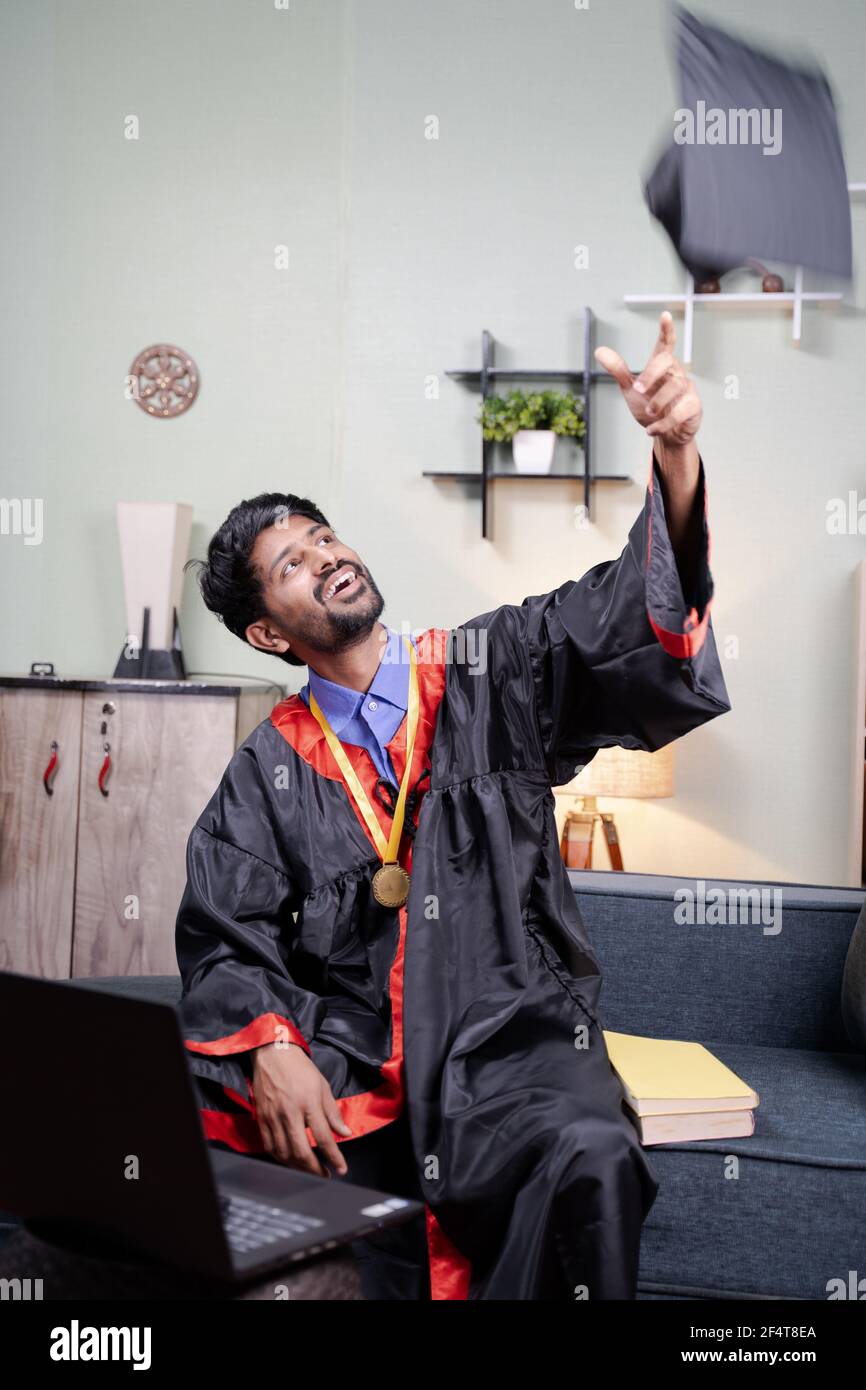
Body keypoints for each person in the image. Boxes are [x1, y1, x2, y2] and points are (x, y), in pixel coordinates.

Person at [175, 312, 731, 1299]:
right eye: (292, 564)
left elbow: (617, 616)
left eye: (322, 536)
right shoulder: (265, 771)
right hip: (354, 1054)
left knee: (591, 1148)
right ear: (267, 633)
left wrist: (675, 458)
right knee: (164, 1130)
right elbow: (225, 938)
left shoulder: (489, 665)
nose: (326, 557)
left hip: (506, 1035)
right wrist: (273, 1046)